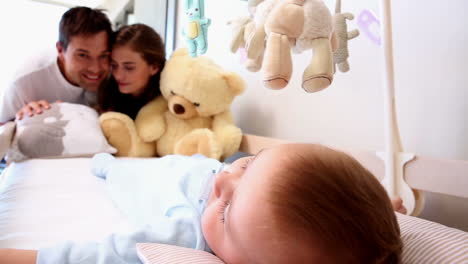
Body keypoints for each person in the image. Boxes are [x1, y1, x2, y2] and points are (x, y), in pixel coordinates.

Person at [0, 143, 403, 263]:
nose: (223, 183)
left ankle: (102, 160)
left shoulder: (188, 240)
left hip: (155, 178)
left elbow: (98, 256)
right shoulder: (232, 182)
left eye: (225, 215)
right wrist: (380, 207)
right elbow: (337, 203)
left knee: (119, 169)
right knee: (214, 164)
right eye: (253, 163)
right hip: (196, 163)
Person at [0, 6, 112, 123]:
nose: (95, 68)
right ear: (60, 50)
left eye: (103, 55)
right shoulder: (24, 82)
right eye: (82, 55)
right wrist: (20, 121)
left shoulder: (114, 72)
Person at [96, 23, 166, 120]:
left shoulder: (170, 102)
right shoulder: (108, 93)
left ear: (154, 67)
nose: (118, 76)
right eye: (114, 65)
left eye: (129, 68)